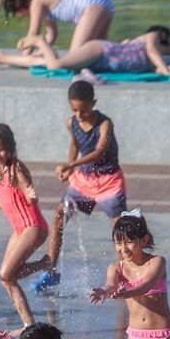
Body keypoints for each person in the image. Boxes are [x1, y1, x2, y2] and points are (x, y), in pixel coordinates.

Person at [36, 80, 128, 294]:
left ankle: (127, 275)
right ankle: (51, 272)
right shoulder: (72, 122)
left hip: (109, 180)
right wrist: (70, 168)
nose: (79, 115)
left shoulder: (105, 123)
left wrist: (70, 165)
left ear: (93, 103)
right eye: (74, 109)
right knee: (58, 217)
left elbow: (99, 151)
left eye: (83, 110)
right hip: (84, 179)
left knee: (122, 227)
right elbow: (75, 144)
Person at [0, 124, 53, 328]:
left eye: (0, 149)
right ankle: (28, 324)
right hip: (19, 229)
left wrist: (31, 195)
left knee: (5, 274)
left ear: (10, 147)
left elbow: (27, 191)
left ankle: (44, 264)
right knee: (6, 278)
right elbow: (6, 200)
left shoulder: (16, 168)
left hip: (33, 226)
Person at [0, 25, 170, 76]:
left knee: (47, 63)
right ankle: (39, 41)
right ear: (167, 37)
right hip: (101, 50)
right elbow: (153, 52)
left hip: (99, 61)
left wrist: (169, 69)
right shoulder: (153, 37)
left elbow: (157, 62)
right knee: (56, 65)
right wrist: (164, 68)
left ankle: (4, 57)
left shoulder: (153, 57)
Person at [3, 0, 114, 54]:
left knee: (75, 58)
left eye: (17, 13)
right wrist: (43, 52)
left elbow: (33, 34)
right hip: (102, 3)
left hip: (91, 5)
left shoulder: (36, 1)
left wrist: (25, 56)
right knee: (98, 54)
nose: (20, 16)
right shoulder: (43, 5)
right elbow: (51, 34)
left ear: (20, 6)